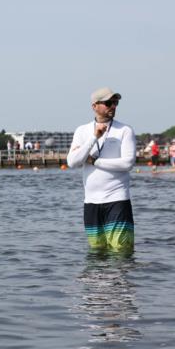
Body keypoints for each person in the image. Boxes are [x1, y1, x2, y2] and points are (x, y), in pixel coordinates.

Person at [66, 88, 137, 253]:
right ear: (94, 106)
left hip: (117, 200)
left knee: (121, 253)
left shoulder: (125, 130)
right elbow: (72, 162)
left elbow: (128, 163)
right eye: (108, 103)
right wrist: (93, 138)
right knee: (97, 253)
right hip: (91, 203)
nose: (112, 106)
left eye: (115, 102)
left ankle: (118, 280)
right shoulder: (82, 131)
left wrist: (95, 161)